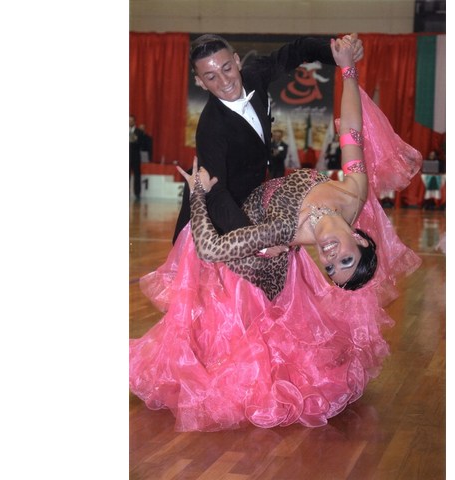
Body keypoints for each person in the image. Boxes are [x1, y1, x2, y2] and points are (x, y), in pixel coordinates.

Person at [130, 37, 423, 432]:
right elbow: (352, 131)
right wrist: (346, 67)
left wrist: (199, 195)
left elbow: (213, 245)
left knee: (219, 331)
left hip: (238, 231)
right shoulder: (354, 192)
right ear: (362, 239)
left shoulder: (288, 230)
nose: (330, 256)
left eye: (330, 267)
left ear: (235, 63)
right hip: (232, 204)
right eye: (345, 258)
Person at [171, 33, 364, 243]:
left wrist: (337, 53)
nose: (224, 81)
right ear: (200, 82)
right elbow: (216, 195)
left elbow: (300, 49)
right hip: (218, 229)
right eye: (211, 77)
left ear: (237, 61)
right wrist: (257, 240)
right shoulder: (210, 128)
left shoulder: (254, 77)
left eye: (227, 68)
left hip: (250, 211)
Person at [129, 115, 144, 200]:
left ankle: (137, 193)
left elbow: (141, 144)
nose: (129, 122)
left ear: (134, 122)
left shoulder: (139, 132)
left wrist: (135, 139)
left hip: (135, 156)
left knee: (137, 175)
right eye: (128, 120)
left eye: (131, 120)